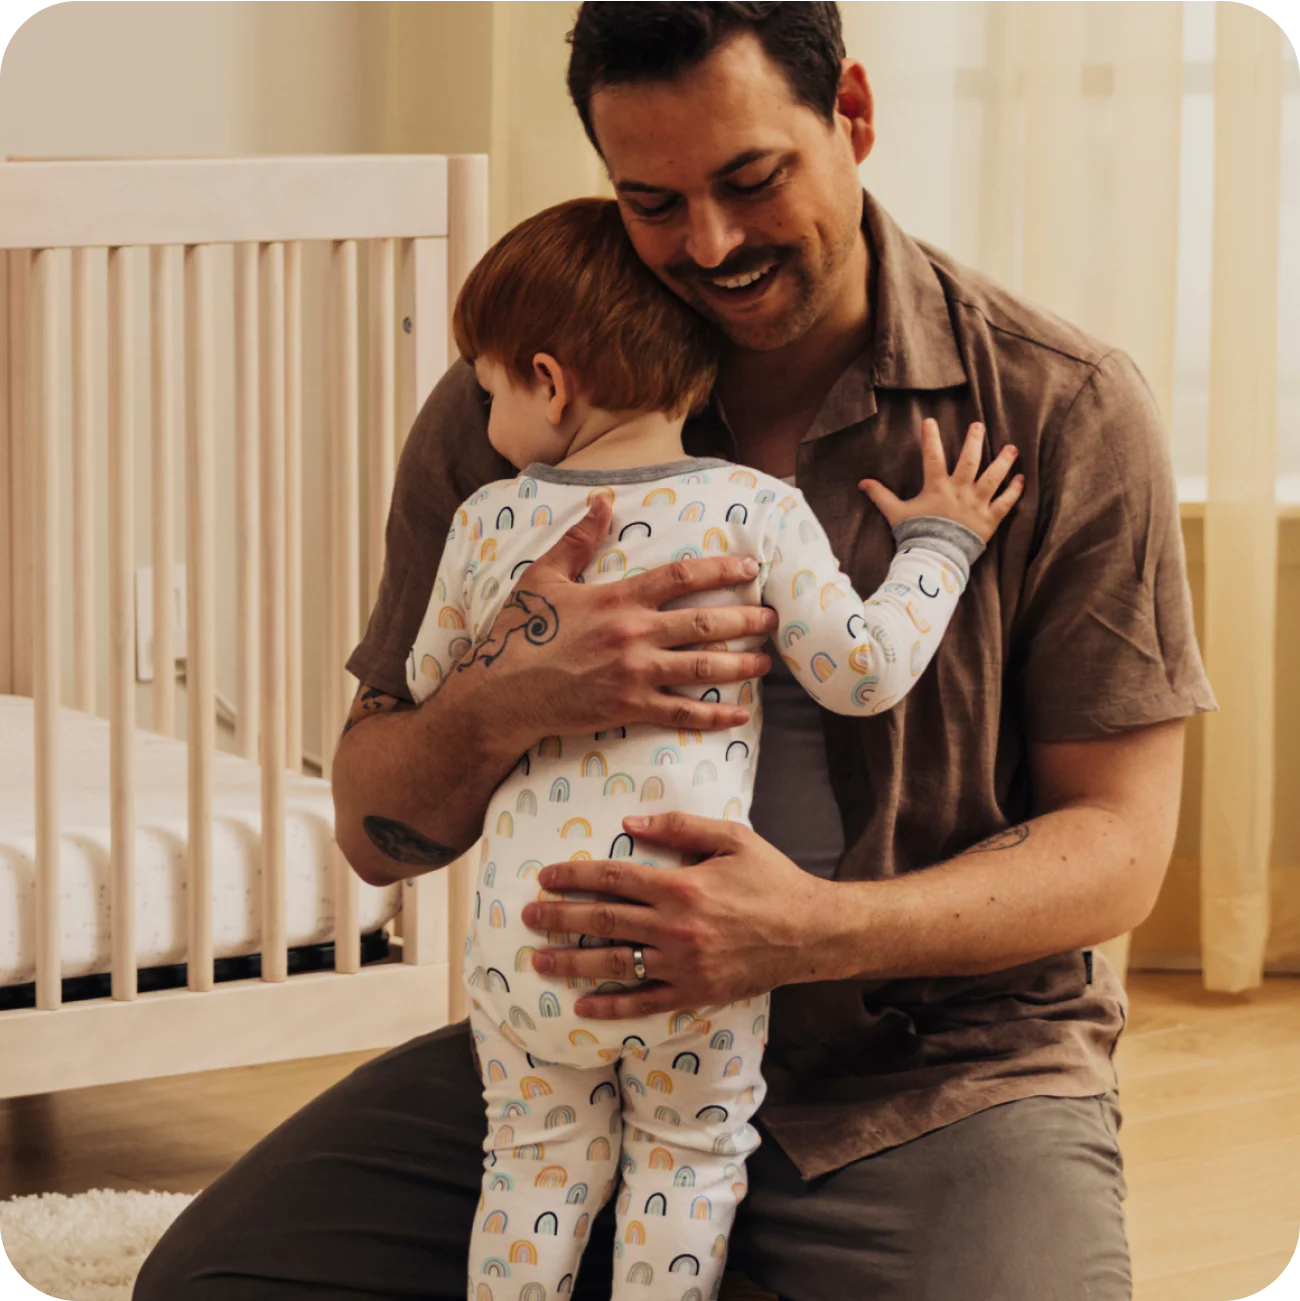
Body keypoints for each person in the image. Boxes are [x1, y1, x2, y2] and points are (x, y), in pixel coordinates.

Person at [135, 2, 1215, 1298]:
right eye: (652, 202)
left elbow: (1118, 846)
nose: (709, 245)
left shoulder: (1059, 403)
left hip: (938, 1065)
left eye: (751, 181)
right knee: (208, 1282)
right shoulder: (517, 409)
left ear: (852, 115)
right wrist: (504, 697)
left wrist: (805, 932)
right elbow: (376, 830)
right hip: (588, 1032)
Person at [417, 195, 1019, 1301]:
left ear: (550, 381)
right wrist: (937, 545)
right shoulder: (752, 506)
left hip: (525, 942)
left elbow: (426, 687)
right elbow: (863, 671)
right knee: (688, 1162)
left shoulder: (486, 522)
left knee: (530, 1164)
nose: (485, 412)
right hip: (692, 936)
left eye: (487, 385)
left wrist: (517, 652)